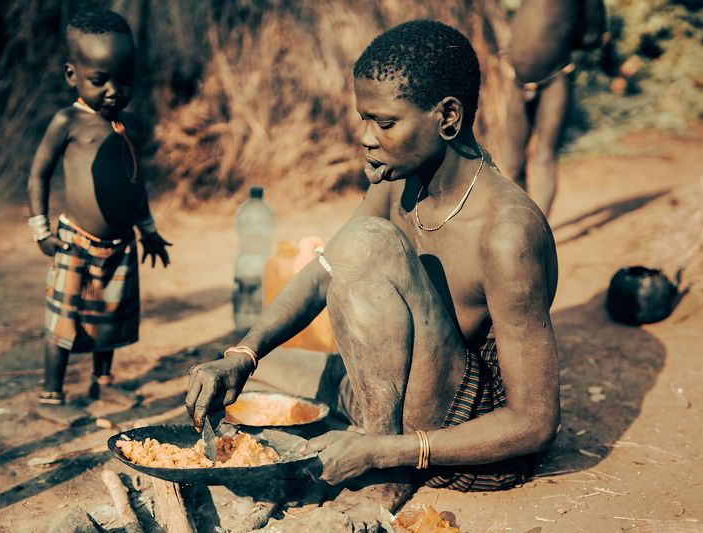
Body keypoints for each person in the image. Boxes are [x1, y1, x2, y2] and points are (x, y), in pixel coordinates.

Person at [186, 20, 559, 528]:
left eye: (384, 123)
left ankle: (384, 470)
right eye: (364, 120)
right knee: (259, 376)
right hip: (395, 399)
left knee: (368, 240)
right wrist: (241, 356)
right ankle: (368, 434)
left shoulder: (508, 233)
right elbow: (326, 271)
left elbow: (534, 422)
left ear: (448, 117)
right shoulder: (398, 182)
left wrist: (385, 451)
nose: (366, 138)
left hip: (461, 427)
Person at [27, 9, 170, 409]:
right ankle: (51, 394)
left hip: (120, 245)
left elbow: (135, 183)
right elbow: (38, 175)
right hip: (76, 243)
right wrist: (40, 230)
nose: (114, 91)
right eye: (99, 80)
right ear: (72, 75)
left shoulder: (130, 126)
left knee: (111, 318)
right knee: (64, 321)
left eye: (124, 80)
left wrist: (148, 230)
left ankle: (102, 382)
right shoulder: (67, 123)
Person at [497, 0, 606, 217]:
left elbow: (594, 37)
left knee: (544, 156)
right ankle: (524, 221)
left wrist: (560, 38)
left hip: (556, 78)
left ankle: (541, 225)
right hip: (518, 82)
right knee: (512, 161)